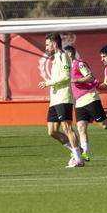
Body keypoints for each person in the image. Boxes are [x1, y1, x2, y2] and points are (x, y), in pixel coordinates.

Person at [65, 44, 107, 159]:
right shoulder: (67, 69)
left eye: (64, 55)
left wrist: (76, 80)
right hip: (79, 102)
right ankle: (85, 153)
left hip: (90, 98)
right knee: (81, 128)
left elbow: (90, 77)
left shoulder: (79, 64)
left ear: (70, 54)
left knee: (105, 124)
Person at [37, 33, 84, 168]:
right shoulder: (56, 58)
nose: (46, 47)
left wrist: (48, 82)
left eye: (47, 44)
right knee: (52, 131)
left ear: (54, 44)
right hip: (55, 99)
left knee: (67, 128)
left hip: (64, 98)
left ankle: (79, 159)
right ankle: (76, 150)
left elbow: (66, 77)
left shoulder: (63, 56)